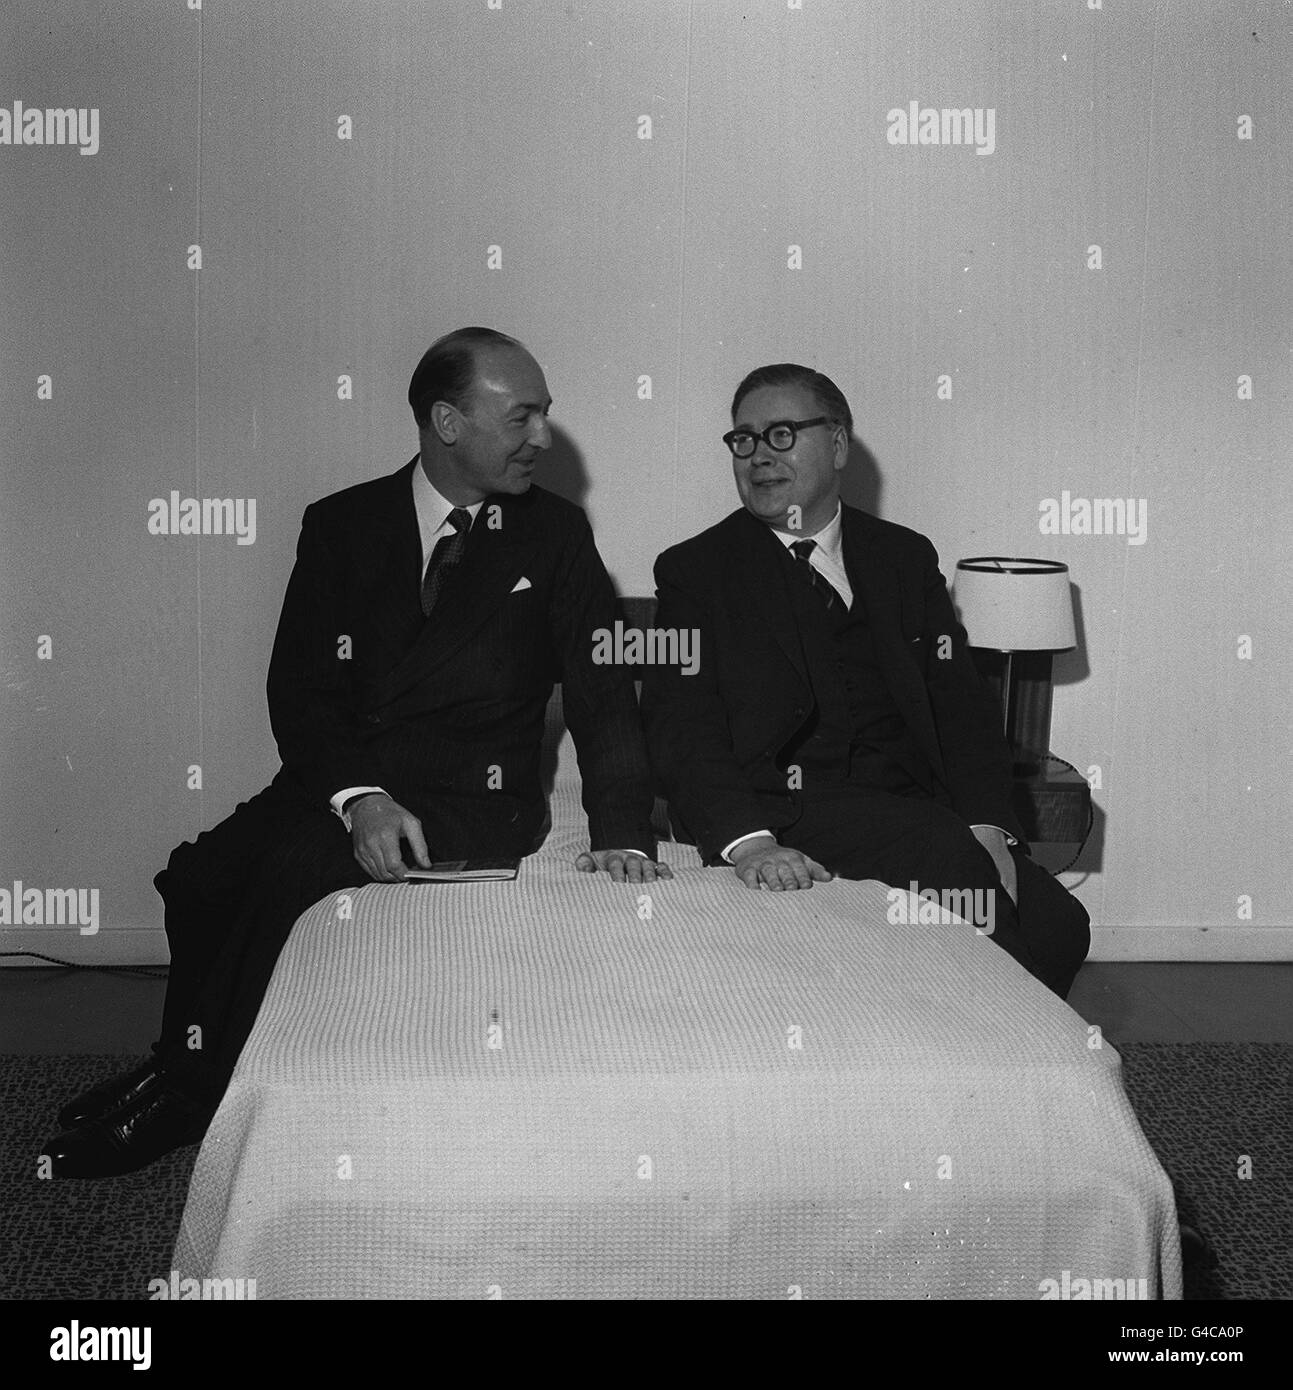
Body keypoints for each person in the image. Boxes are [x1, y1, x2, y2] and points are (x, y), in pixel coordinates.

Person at [46, 327, 668, 1177]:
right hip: (344, 784)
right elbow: (298, 690)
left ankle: (191, 1098)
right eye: (521, 416)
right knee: (194, 876)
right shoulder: (341, 523)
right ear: (446, 423)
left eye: (544, 415)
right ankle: (177, 1058)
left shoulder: (553, 534)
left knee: (291, 872)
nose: (541, 438)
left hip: (473, 798)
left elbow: (602, 695)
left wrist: (623, 831)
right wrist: (357, 795)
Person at [640, 362, 1088, 997]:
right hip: (787, 807)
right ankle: (1006, 1058)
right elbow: (680, 728)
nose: (759, 456)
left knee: (1061, 925)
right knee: (944, 853)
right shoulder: (695, 571)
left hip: (906, 804)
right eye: (744, 438)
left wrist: (989, 827)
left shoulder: (903, 557)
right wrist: (749, 844)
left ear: (839, 443)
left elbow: (959, 706)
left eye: (783, 433)